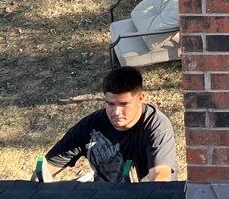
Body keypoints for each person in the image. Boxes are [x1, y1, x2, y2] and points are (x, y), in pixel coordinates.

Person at [32, 66, 177, 184]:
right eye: (110, 104)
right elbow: (47, 167)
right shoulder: (91, 125)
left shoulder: (157, 127)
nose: (116, 112)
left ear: (141, 98)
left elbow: (160, 177)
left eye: (123, 104)